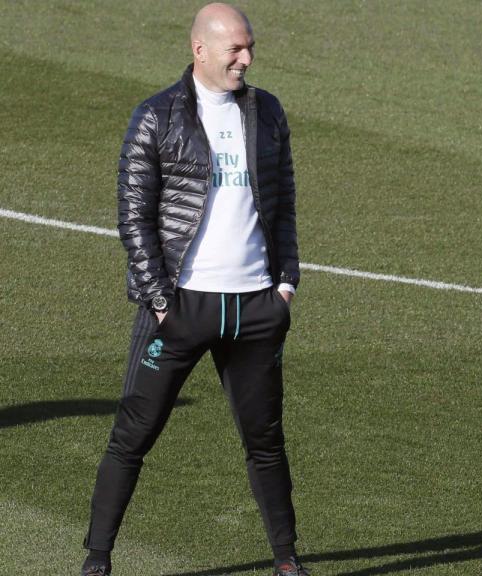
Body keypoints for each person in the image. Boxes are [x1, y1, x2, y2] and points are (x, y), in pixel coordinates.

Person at [80, 4, 308, 575]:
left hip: (256, 307)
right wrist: (161, 301)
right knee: (132, 435)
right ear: (199, 49)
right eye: (235, 48)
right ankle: (97, 559)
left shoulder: (267, 111)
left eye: (250, 46)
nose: (246, 58)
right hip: (182, 306)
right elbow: (133, 218)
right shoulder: (156, 116)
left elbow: (284, 202)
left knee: (266, 441)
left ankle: (286, 561)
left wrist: (284, 285)